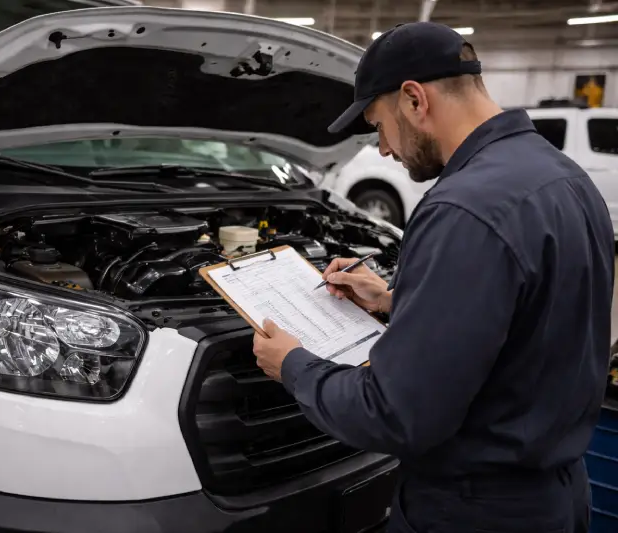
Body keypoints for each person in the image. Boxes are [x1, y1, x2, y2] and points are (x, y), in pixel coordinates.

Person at [252, 21, 614, 533]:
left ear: (415, 100)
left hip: (472, 511)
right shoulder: (563, 177)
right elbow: (528, 322)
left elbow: (396, 414)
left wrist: (291, 366)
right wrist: (394, 300)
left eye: (378, 126)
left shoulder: (463, 209)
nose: (381, 150)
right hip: (556, 496)